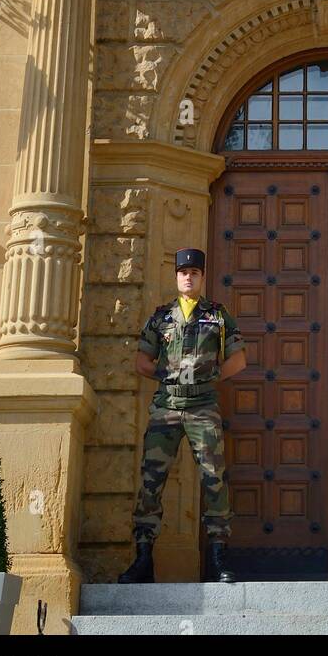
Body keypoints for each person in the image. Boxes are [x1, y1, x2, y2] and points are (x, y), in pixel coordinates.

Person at [118, 247, 246, 585]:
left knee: (213, 479)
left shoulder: (217, 316)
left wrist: (211, 376)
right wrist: (166, 377)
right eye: (183, 272)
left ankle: (219, 559)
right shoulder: (161, 317)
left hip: (203, 407)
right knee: (151, 481)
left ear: (202, 277)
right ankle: (143, 559)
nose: (188, 277)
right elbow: (142, 362)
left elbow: (238, 359)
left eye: (194, 273)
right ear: (176, 277)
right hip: (167, 408)